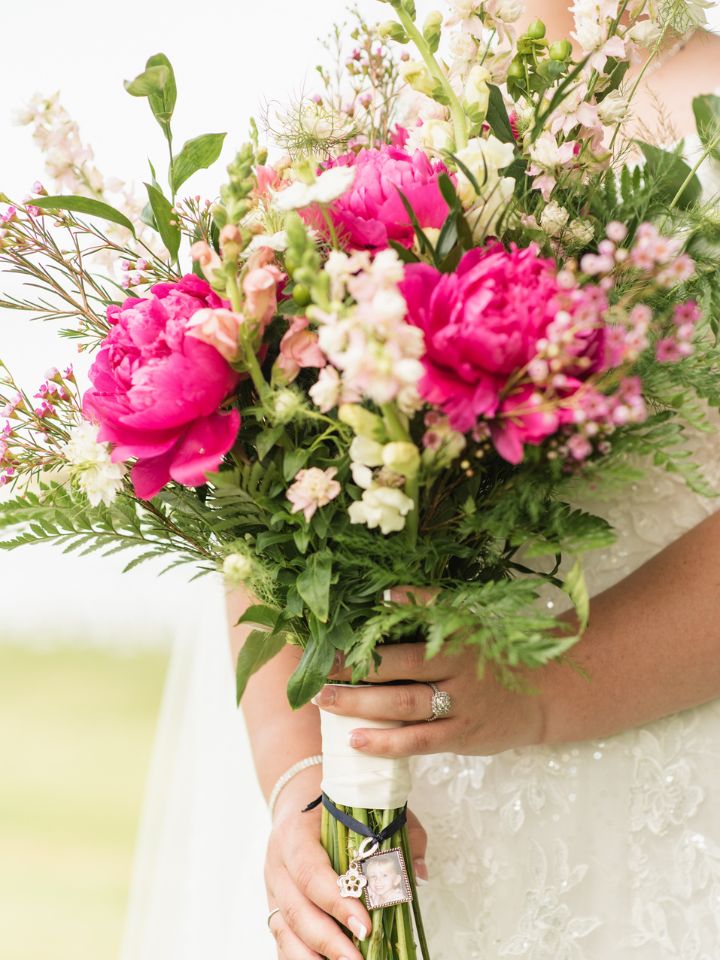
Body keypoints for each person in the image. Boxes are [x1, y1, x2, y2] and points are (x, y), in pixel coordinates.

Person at [122, 5, 720, 960]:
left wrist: (539, 690)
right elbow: (262, 508)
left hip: (663, 801)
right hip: (396, 818)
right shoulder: (348, 121)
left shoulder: (708, 119)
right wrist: (296, 790)